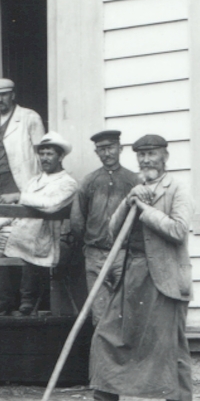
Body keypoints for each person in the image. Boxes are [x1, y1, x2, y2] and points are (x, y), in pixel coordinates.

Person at [70, 134, 196, 401]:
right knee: (107, 334)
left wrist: (145, 209)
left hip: (166, 277)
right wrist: (129, 202)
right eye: (141, 155)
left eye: (152, 154)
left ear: (165, 157)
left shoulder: (177, 189)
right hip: (133, 274)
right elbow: (113, 231)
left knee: (171, 345)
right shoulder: (136, 189)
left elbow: (178, 230)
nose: (146, 160)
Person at [0, 132, 77, 316]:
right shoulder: (33, 181)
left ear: (60, 157)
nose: (44, 158)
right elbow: (16, 209)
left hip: (44, 232)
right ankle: (4, 300)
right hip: (20, 229)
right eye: (42, 153)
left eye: (49, 154)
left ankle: (28, 301)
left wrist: (19, 196)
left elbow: (50, 205)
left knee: (22, 241)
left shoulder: (68, 183)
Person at [0, 78, 47, 314]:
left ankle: (27, 300)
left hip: (22, 186)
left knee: (25, 237)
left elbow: (42, 157)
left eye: (3, 94)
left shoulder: (30, 117)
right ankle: (4, 299)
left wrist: (32, 189)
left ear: (13, 95)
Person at [70, 130, 139, 324]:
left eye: (111, 148)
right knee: (99, 313)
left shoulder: (134, 181)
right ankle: (101, 345)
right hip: (95, 254)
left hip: (124, 255)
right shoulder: (88, 181)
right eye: (101, 149)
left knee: (126, 310)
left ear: (120, 148)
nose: (107, 153)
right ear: (96, 152)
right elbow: (77, 219)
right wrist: (89, 244)